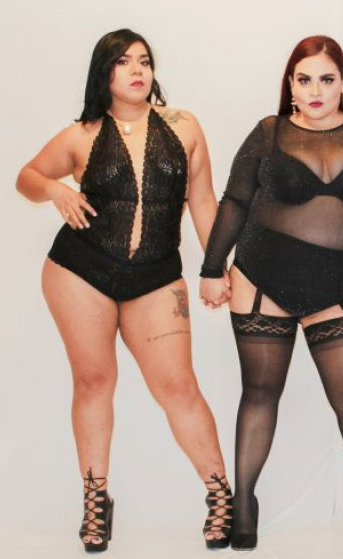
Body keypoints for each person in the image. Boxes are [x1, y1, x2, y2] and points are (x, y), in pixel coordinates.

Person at [16, 29, 233, 551]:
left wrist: (216, 267)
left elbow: (203, 201)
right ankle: (96, 498)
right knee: (94, 381)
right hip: (80, 271)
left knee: (178, 387)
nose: (137, 70)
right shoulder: (82, 134)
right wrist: (55, 190)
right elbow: (26, 176)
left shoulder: (184, 126)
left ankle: (221, 495)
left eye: (144, 61)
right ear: (104, 73)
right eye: (123, 62)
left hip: (155, 276)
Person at [199, 35, 343, 550]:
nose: (316, 91)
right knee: (259, 394)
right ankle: (243, 506)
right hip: (261, 280)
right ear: (290, 85)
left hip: (339, 288)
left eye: (326, 79)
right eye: (304, 79)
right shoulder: (269, 132)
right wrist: (211, 268)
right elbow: (235, 201)